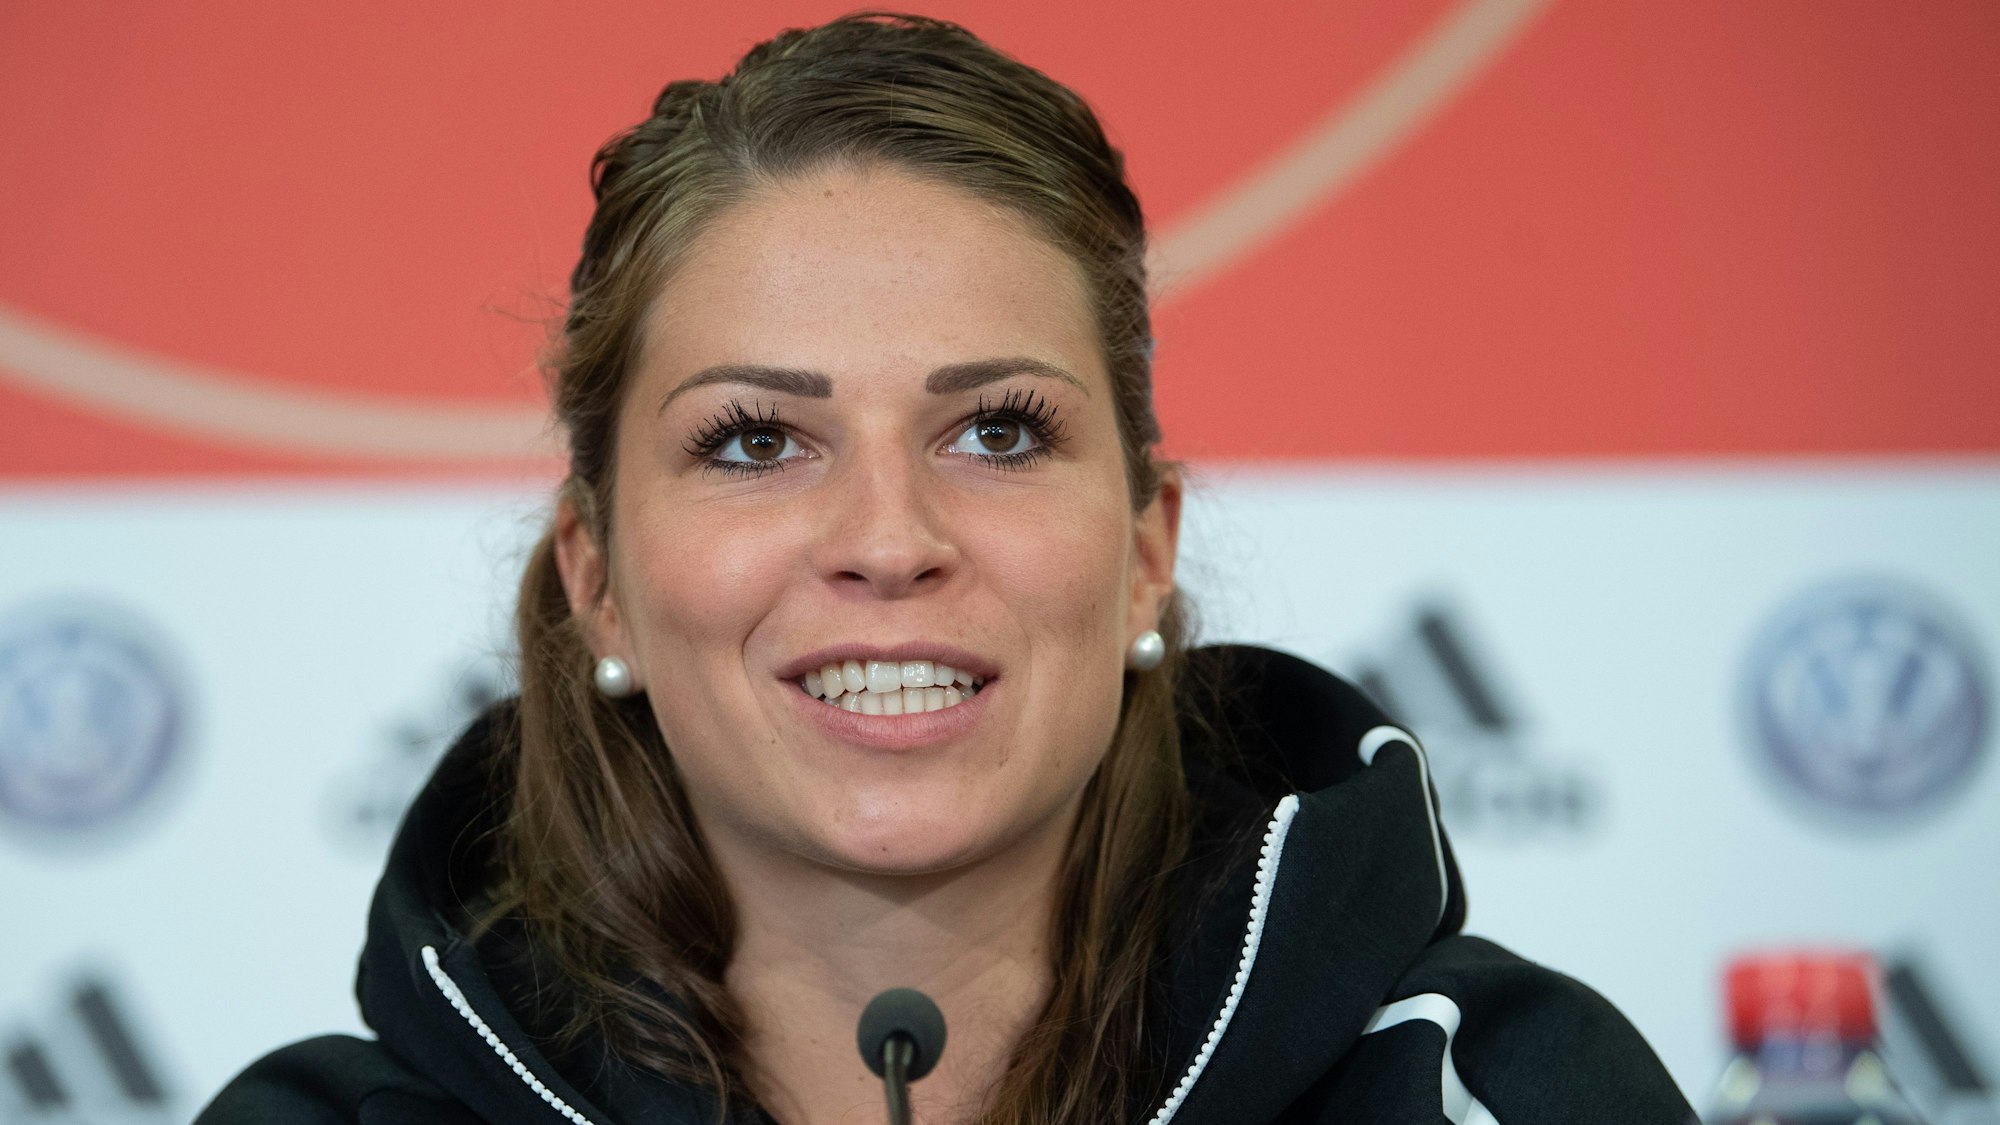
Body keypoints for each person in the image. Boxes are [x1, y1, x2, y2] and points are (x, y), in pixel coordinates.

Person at [199, 13, 1693, 1125]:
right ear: (596, 577)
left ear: (1145, 553)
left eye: (997, 431)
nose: (889, 540)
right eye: (756, 442)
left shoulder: (1502, 1093)